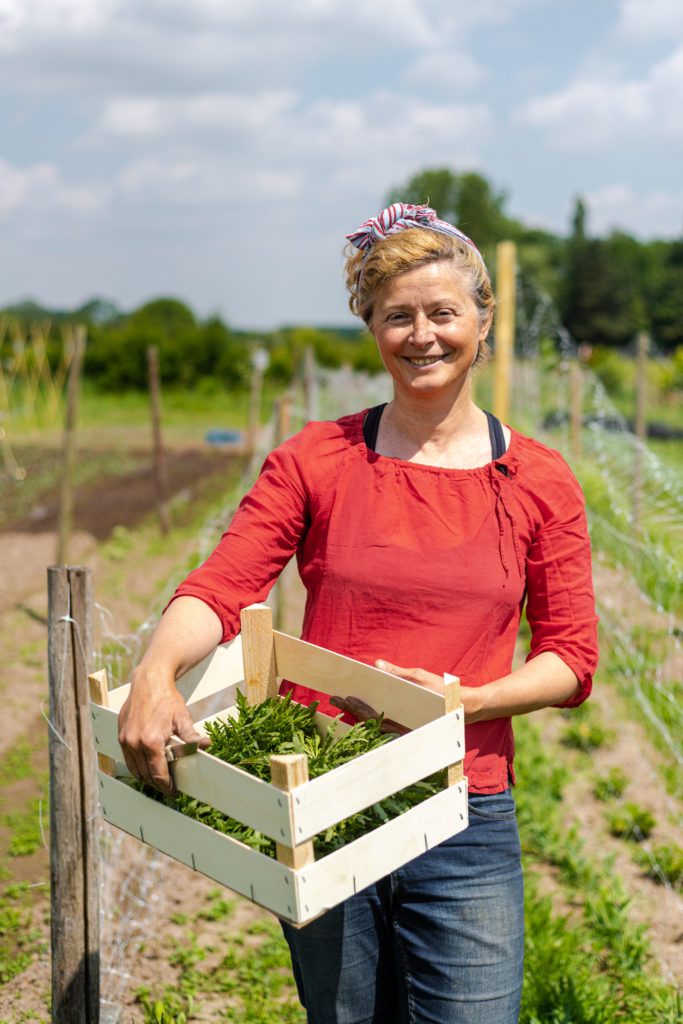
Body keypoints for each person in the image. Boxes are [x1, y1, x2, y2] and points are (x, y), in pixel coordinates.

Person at [119, 202, 599, 1024]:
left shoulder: (538, 480)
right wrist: (155, 674)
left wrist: (467, 702)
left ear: (483, 322)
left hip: (463, 802)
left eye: (443, 313)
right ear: (371, 329)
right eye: (396, 317)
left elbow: (570, 657)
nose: (422, 335)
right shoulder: (318, 459)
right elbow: (224, 585)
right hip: (324, 795)